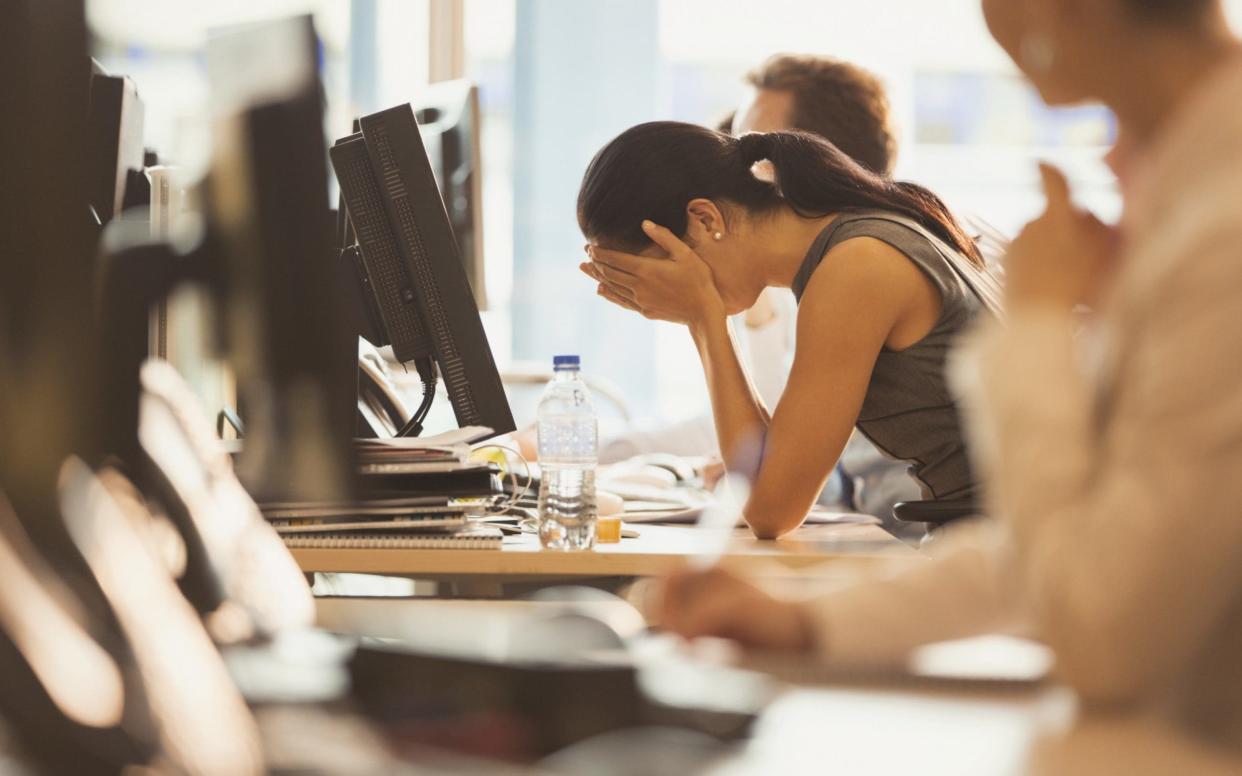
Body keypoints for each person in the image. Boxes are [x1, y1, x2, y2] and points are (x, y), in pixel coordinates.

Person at [661, 0, 1242, 751]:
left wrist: (1037, 325)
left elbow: (1102, 627)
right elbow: (1064, 543)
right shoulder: (1186, 180)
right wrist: (809, 622)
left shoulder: (1220, 227)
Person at [579, 119, 1002, 538]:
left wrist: (703, 317)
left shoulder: (856, 266)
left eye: (660, 272)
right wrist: (703, 316)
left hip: (1004, 551)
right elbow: (766, 472)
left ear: (705, 220)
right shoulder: (850, 246)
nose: (659, 295)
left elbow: (770, 509)